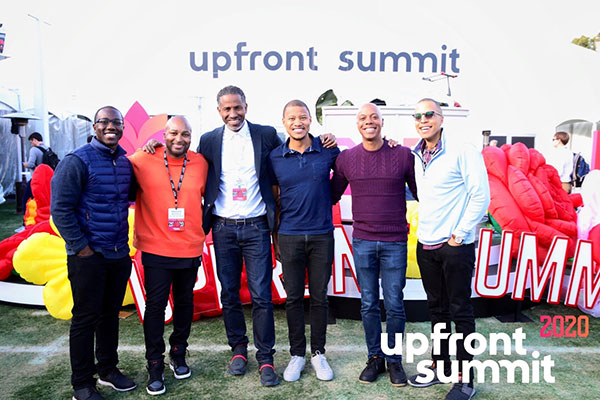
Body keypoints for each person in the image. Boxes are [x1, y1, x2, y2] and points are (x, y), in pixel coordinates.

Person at [144, 86, 336, 387]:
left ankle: (265, 357)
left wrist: (327, 138)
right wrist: (155, 145)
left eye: (238, 108)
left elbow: (294, 146)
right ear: (219, 111)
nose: (233, 114)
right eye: (227, 109)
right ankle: (238, 349)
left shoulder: (266, 135)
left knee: (261, 294)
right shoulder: (208, 140)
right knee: (229, 293)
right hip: (222, 227)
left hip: (257, 225)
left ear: (246, 106)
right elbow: (183, 156)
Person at [51, 106, 136, 400]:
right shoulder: (77, 160)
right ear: (95, 127)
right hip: (88, 256)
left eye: (116, 122)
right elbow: (60, 209)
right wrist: (82, 248)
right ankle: (83, 384)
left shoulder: (125, 162)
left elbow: (133, 196)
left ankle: (108, 370)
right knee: (85, 318)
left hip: (117, 254)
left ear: (123, 127)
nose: (111, 126)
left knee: (110, 315)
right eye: (104, 121)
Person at [407, 98, 489, 400]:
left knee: (461, 313)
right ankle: (440, 367)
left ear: (441, 118)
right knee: (437, 310)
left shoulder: (462, 149)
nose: (422, 119)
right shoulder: (417, 154)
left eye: (429, 114)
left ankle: (466, 379)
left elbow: (481, 195)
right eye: (417, 116)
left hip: (455, 247)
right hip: (427, 245)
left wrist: (460, 234)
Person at [331, 103, 418, 387]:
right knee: (368, 303)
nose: (368, 122)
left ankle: (393, 360)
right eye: (362, 118)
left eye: (374, 117)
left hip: (394, 242)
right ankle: (374, 358)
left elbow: (422, 191)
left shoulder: (403, 155)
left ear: (382, 122)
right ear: (357, 125)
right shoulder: (346, 159)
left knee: (394, 304)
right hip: (363, 241)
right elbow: (330, 194)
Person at [129, 116, 208, 395]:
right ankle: (154, 363)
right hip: (155, 249)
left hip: (189, 248)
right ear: (163, 134)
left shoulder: (200, 163)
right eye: (173, 133)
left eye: (185, 134)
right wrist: (146, 145)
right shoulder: (143, 157)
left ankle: (178, 352)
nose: (179, 139)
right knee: (156, 307)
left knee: (186, 304)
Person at [268, 100, 339, 382]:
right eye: (291, 118)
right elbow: (274, 198)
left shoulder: (328, 150)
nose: (297, 122)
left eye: (303, 117)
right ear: (284, 122)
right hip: (289, 236)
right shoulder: (274, 157)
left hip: (322, 235)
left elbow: (345, 175)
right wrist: (275, 237)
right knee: (294, 298)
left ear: (311, 120)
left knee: (320, 297)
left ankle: (318, 353)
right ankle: (297, 354)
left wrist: (328, 198)